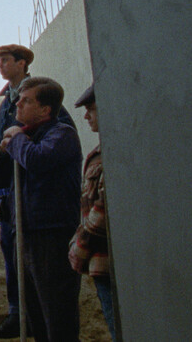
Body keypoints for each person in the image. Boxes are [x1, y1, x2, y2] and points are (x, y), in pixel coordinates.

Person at [0, 45, 75, 338]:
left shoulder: (60, 132)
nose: (17, 107)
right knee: (33, 307)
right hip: (23, 225)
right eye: (18, 101)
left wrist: (16, 139)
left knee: (55, 310)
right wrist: (3, 149)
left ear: (45, 109)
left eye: (25, 102)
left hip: (50, 230)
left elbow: (38, 160)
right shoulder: (15, 121)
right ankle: (16, 315)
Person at [69, 84, 118, 340]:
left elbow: (100, 215)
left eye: (91, 109)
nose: (86, 116)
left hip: (108, 262)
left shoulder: (112, 155)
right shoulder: (101, 152)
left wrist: (79, 249)